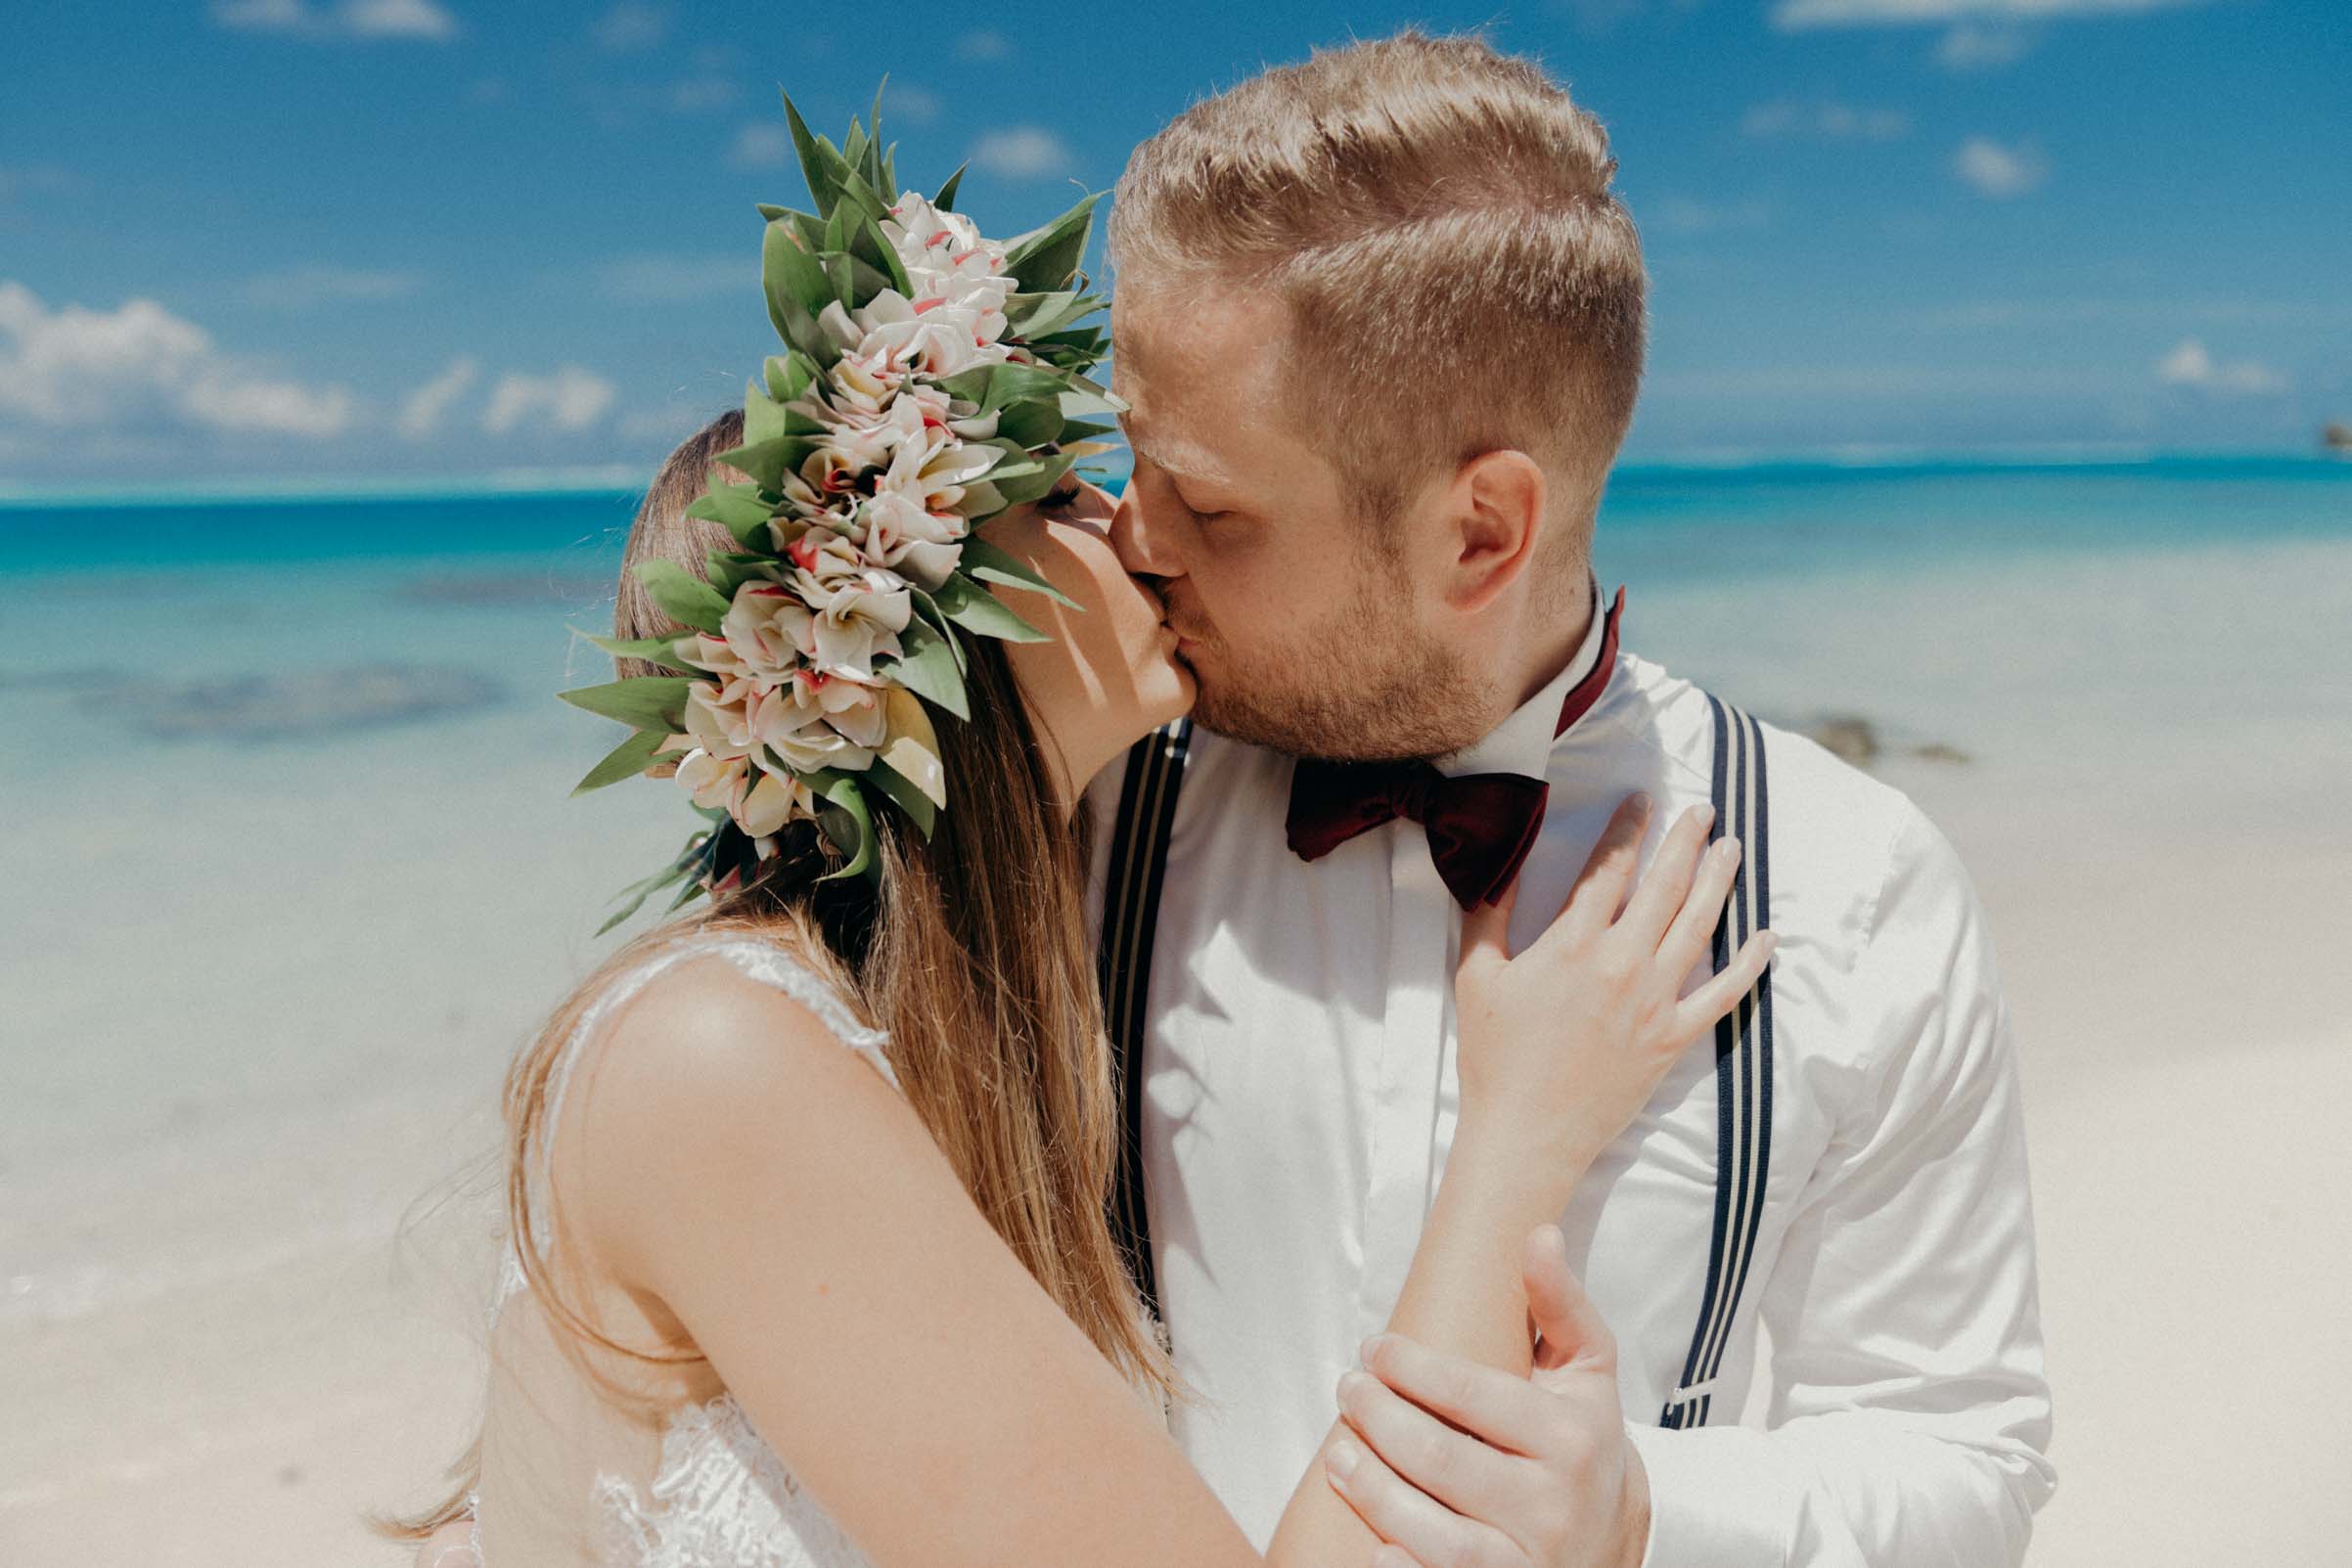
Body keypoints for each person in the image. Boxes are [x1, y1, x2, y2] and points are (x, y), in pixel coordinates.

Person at [395, 410, 1771, 1568]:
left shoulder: (928, 1055)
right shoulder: (717, 1059)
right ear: (890, 629)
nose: (1136, 526)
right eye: (1058, 491)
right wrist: (1523, 1138)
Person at [1085, 28, 2055, 1568]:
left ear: (1483, 532)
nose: (1135, 538)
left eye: (1207, 505)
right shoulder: (1079, 822)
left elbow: (1965, 1455)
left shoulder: (1852, 885)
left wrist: (1645, 1512)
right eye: (1131, 462)